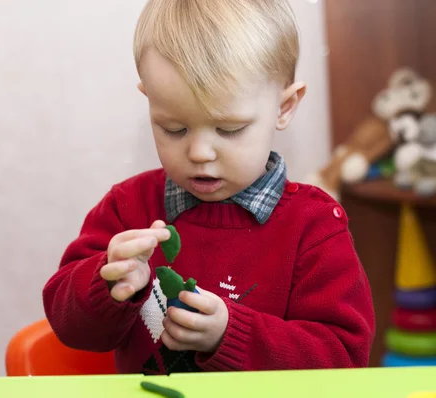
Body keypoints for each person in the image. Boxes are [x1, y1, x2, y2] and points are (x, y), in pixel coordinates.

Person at [42, 0, 375, 374]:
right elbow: (69, 326)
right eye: (174, 128)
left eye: (228, 129)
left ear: (284, 107)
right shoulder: (127, 207)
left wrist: (230, 335)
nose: (199, 153)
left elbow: (343, 357)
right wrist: (108, 280)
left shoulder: (314, 225)